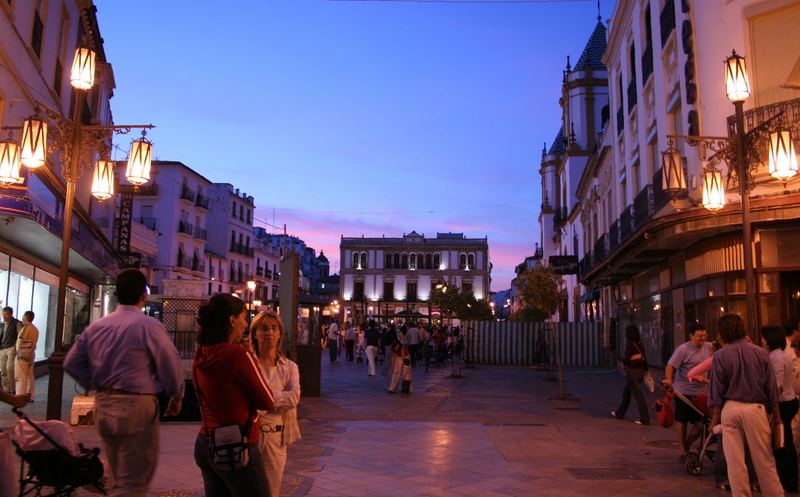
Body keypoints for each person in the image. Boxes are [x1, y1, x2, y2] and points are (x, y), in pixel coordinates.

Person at [64, 269, 184, 497]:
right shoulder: (148, 325)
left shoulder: (98, 326)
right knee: (134, 483)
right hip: (135, 407)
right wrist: (176, 394)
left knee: (118, 476)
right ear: (143, 295)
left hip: (104, 405)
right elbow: (169, 364)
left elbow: (71, 362)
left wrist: (93, 383)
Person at [192, 294, 275, 497]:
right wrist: (251, 359)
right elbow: (268, 400)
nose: (246, 325)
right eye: (244, 318)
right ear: (232, 320)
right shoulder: (239, 355)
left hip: (206, 442)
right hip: (237, 446)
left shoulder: (201, 353)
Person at [709, 314, 784, 497]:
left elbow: (716, 393)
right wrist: (777, 417)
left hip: (730, 409)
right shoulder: (761, 353)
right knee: (764, 459)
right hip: (755, 409)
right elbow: (771, 389)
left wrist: (714, 420)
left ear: (723, 332)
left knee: (735, 462)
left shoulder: (720, 355)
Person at [251, 311, 301, 497]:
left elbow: (294, 398)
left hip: (276, 436)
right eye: (264, 328)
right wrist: (277, 400)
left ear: (280, 333)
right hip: (250, 435)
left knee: (272, 490)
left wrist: (260, 396)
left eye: (274, 328)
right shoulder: (249, 363)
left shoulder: (289, 367)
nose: (269, 332)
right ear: (255, 333)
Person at [663, 321, 714, 461]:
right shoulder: (683, 350)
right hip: (683, 392)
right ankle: (683, 450)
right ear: (691, 336)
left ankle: (687, 445)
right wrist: (669, 381)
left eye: (704, 336)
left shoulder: (710, 347)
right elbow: (670, 366)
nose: (702, 339)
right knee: (682, 420)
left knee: (700, 424)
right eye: (699, 336)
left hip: (701, 392)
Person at [763, 324, 799, 492]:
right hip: (790, 401)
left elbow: (776, 387)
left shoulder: (776, 357)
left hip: (783, 404)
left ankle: (787, 481)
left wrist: (772, 410)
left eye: (763, 337)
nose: (762, 340)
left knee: (781, 444)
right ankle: (790, 480)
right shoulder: (781, 354)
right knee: (787, 442)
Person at [611, 325, 651, 425]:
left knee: (639, 397)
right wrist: (647, 371)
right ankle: (620, 413)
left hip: (632, 373)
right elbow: (644, 359)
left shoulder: (629, 344)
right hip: (640, 372)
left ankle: (645, 419)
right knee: (626, 393)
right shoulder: (639, 344)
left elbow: (628, 357)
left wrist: (623, 363)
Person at [14, 311, 39, 400]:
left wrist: (17, 351)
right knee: (30, 376)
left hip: (22, 355)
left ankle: (20, 396)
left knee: (20, 376)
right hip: (31, 354)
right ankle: (30, 395)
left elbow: (21, 340)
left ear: (25, 317)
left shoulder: (25, 328)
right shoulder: (35, 329)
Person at [0, 307, 22, 393]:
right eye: (3, 314)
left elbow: (20, 336)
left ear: (11, 314)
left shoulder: (16, 323)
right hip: (2, 349)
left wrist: (15, 347)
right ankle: (6, 389)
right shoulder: (1, 324)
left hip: (11, 349)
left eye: (6, 314)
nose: (4, 316)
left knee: (10, 369)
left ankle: (12, 389)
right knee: (3, 370)